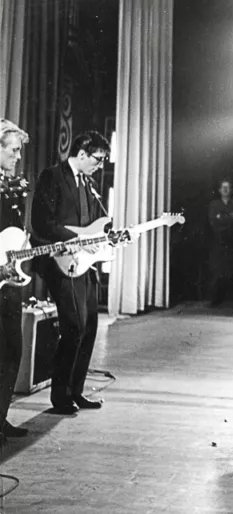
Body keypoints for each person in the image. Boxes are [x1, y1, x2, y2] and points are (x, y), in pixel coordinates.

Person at [31, 130, 110, 414]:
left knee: (89, 327)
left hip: (84, 262)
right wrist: (73, 239)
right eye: (97, 160)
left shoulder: (88, 184)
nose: (99, 166)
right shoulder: (52, 176)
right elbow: (41, 222)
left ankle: (76, 392)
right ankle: (60, 395)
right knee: (73, 326)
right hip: (59, 261)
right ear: (81, 154)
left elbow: (93, 224)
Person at [0, 119, 30, 441]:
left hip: (9, 282)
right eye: (13, 150)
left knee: (12, 351)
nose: (18, 156)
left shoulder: (15, 187)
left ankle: (0, 416)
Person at [208, 179, 233, 306]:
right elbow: (214, 222)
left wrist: (222, 218)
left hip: (232, 242)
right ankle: (216, 299)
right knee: (218, 271)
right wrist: (228, 219)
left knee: (232, 270)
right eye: (223, 187)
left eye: (227, 187)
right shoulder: (214, 204)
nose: (225, 190)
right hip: (218, 242)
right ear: (219, 190)